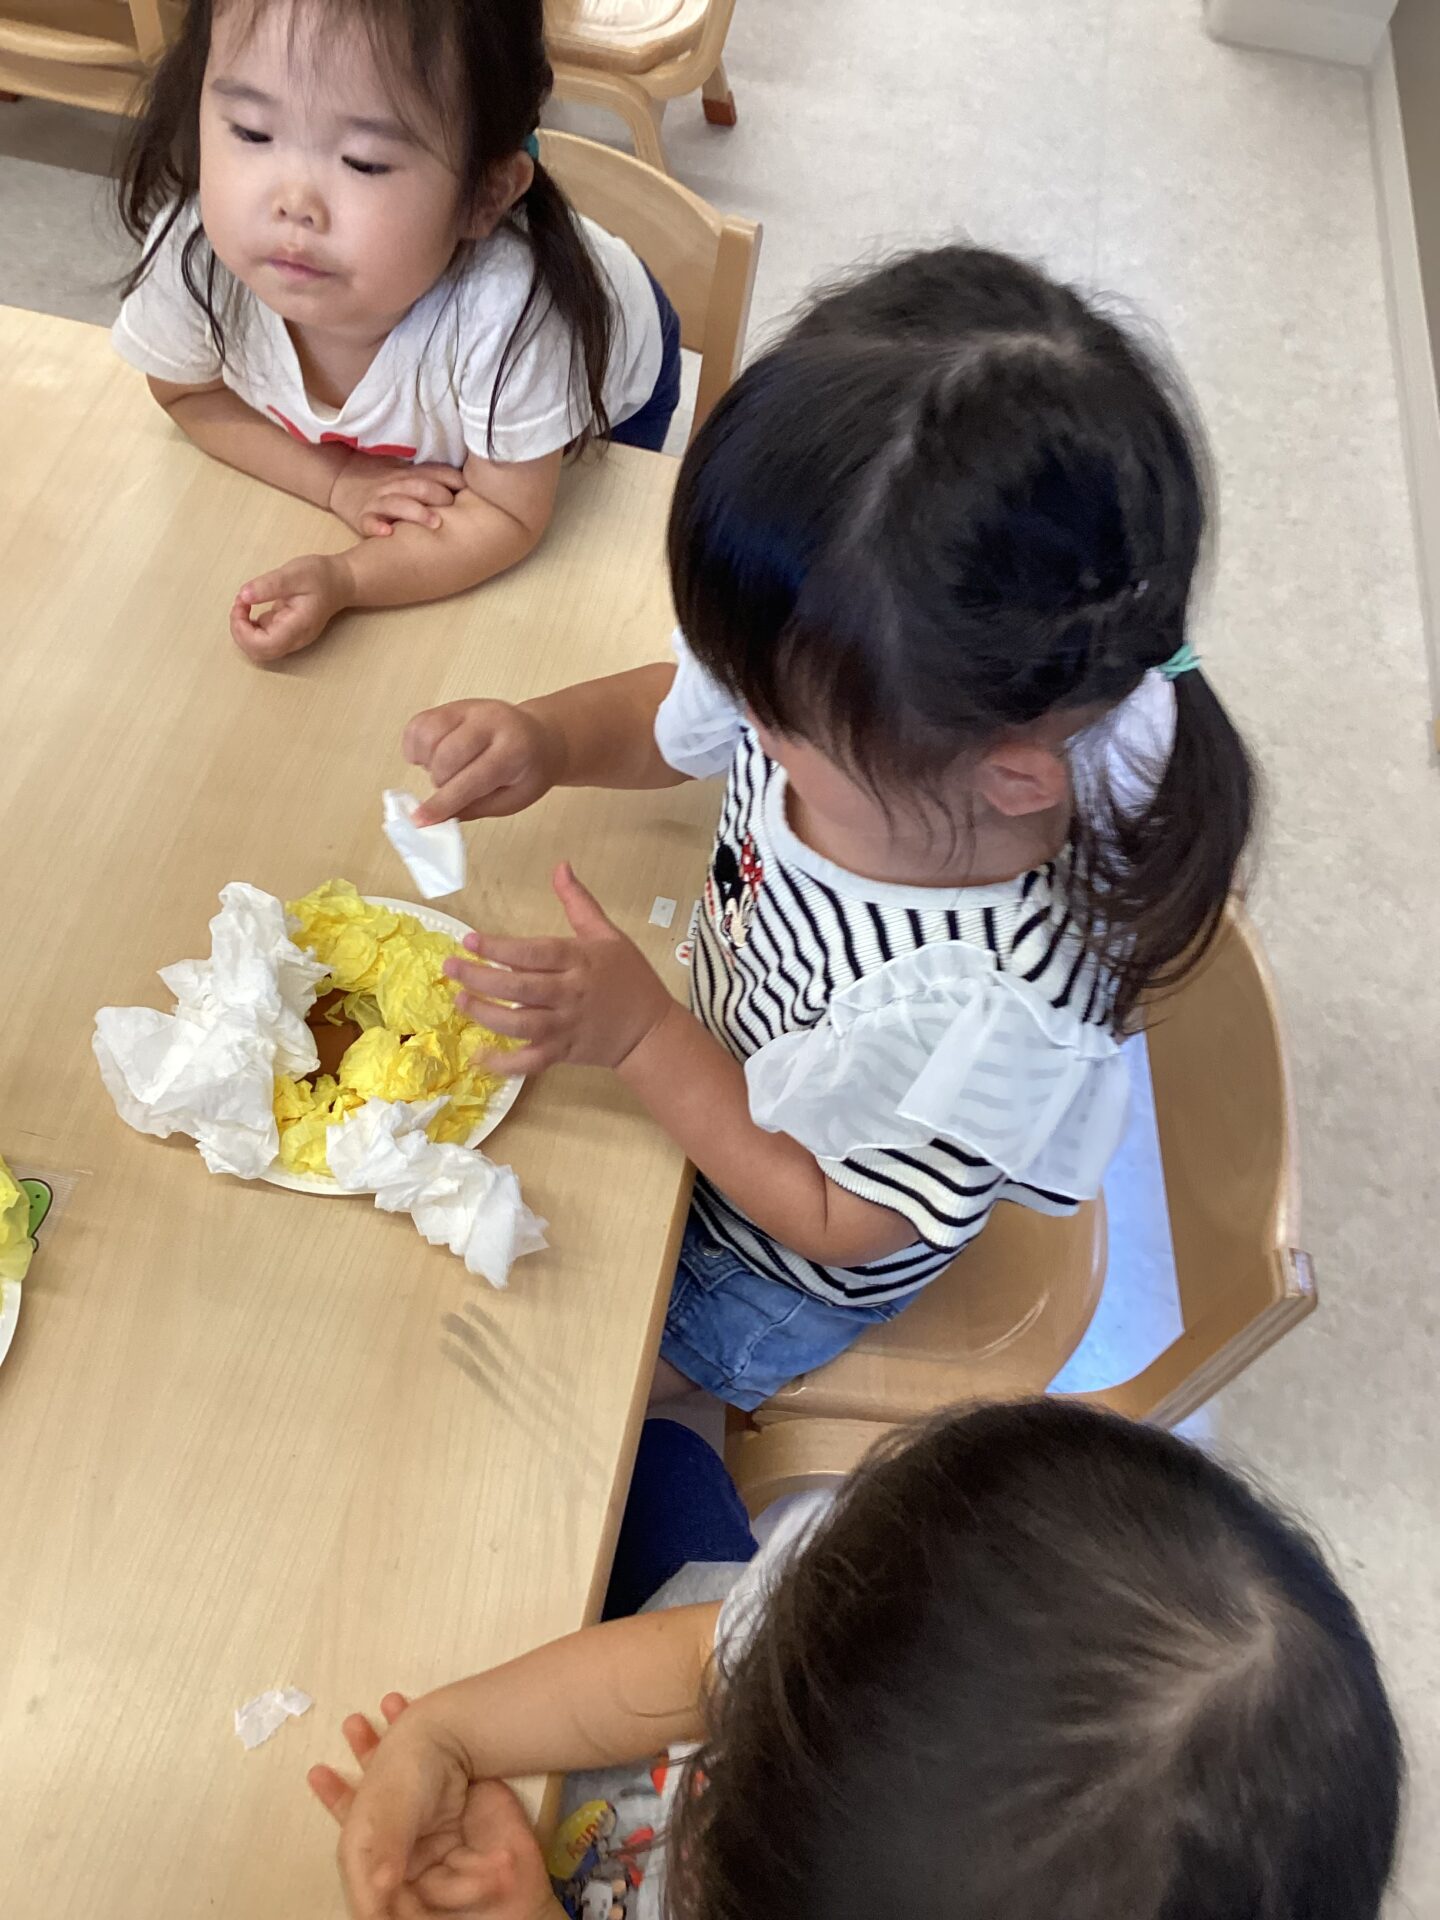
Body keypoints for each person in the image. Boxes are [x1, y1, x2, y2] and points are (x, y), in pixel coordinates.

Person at [405, 245, 1257, 1410]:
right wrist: (548, 739)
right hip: (709, 1057)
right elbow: (680, 712)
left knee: (522, 1393)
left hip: (768, 1260)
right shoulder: (854, 693)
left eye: (768, 715)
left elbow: (836, 1221)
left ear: (1008, 775)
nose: (737, 716)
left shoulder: (990, 1006)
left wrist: (646, 1038)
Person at [306, 1399, 1403, 1920]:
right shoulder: (896, 1609)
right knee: (668, 1460)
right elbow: (698, 1656)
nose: (703, 1791)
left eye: (722, 1798)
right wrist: (447, 1732)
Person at [112, 0, 679, 661]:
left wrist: (350, 578)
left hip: (617, 378)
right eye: (252, 132)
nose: (293, 203)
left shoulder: (512, 311)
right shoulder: (195, 255)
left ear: (486, 195)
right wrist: (337, 480)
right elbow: (186, 392)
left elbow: (506, 514)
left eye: (365, 162)